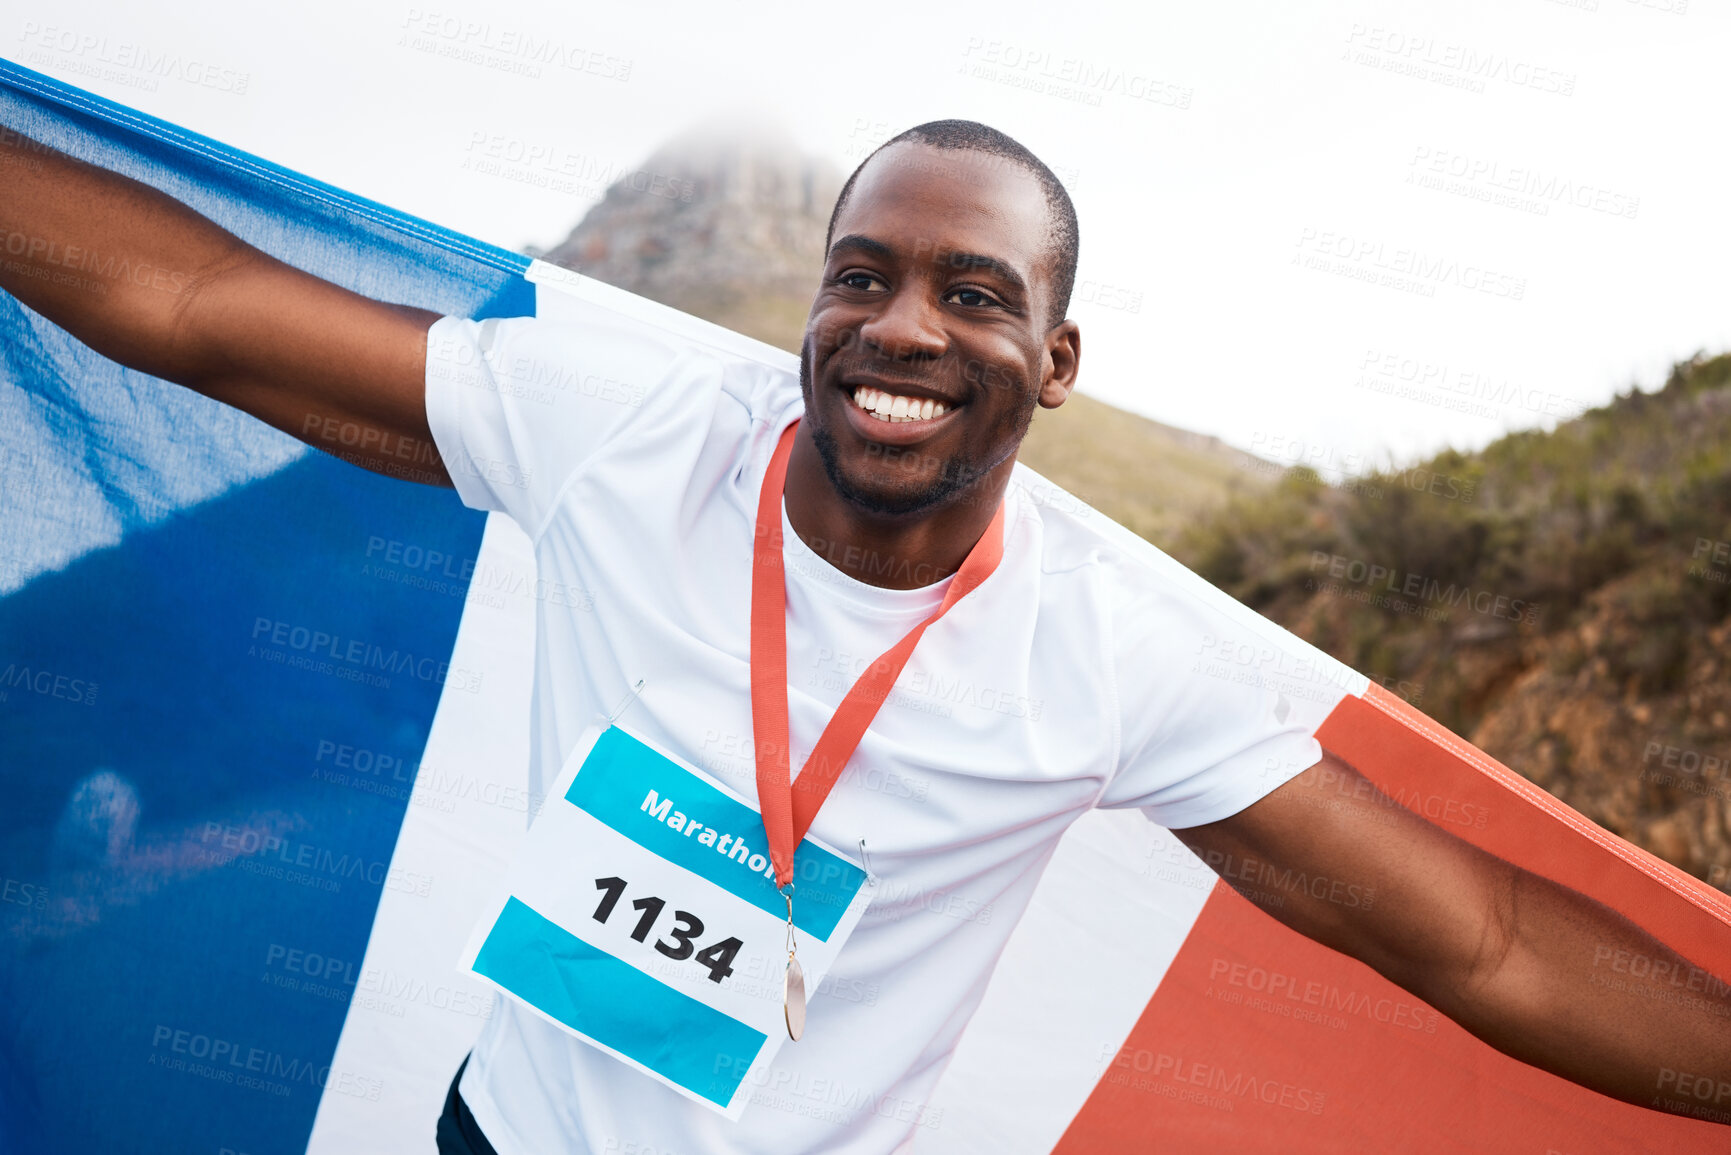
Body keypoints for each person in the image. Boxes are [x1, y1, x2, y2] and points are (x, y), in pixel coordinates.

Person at [2, 117, 1727, 1155]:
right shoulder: (635, 426)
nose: (901, 327)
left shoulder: (1110, 655)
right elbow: (201, 314)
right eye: (861, 274)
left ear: (1055, 361)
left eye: (976, 294)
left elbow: (1483, 938)